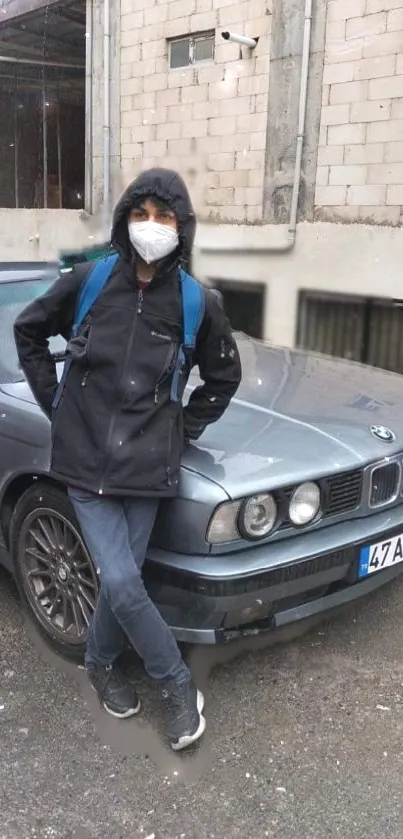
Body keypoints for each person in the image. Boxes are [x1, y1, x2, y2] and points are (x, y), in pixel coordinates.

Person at [14, 167, 242, 751]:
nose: (152, 226)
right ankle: (176, 684)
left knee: (125, 582)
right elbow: (29, 332)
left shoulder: (197, 302)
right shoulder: (89, 281)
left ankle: (100, 662)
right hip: (85, 461)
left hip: (147, 469)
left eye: (165, 217)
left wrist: (181, 429)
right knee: (118, 577)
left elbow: (223, 376)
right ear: (124, 219)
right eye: (141, 213)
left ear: (181, 228)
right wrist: (56, 405)